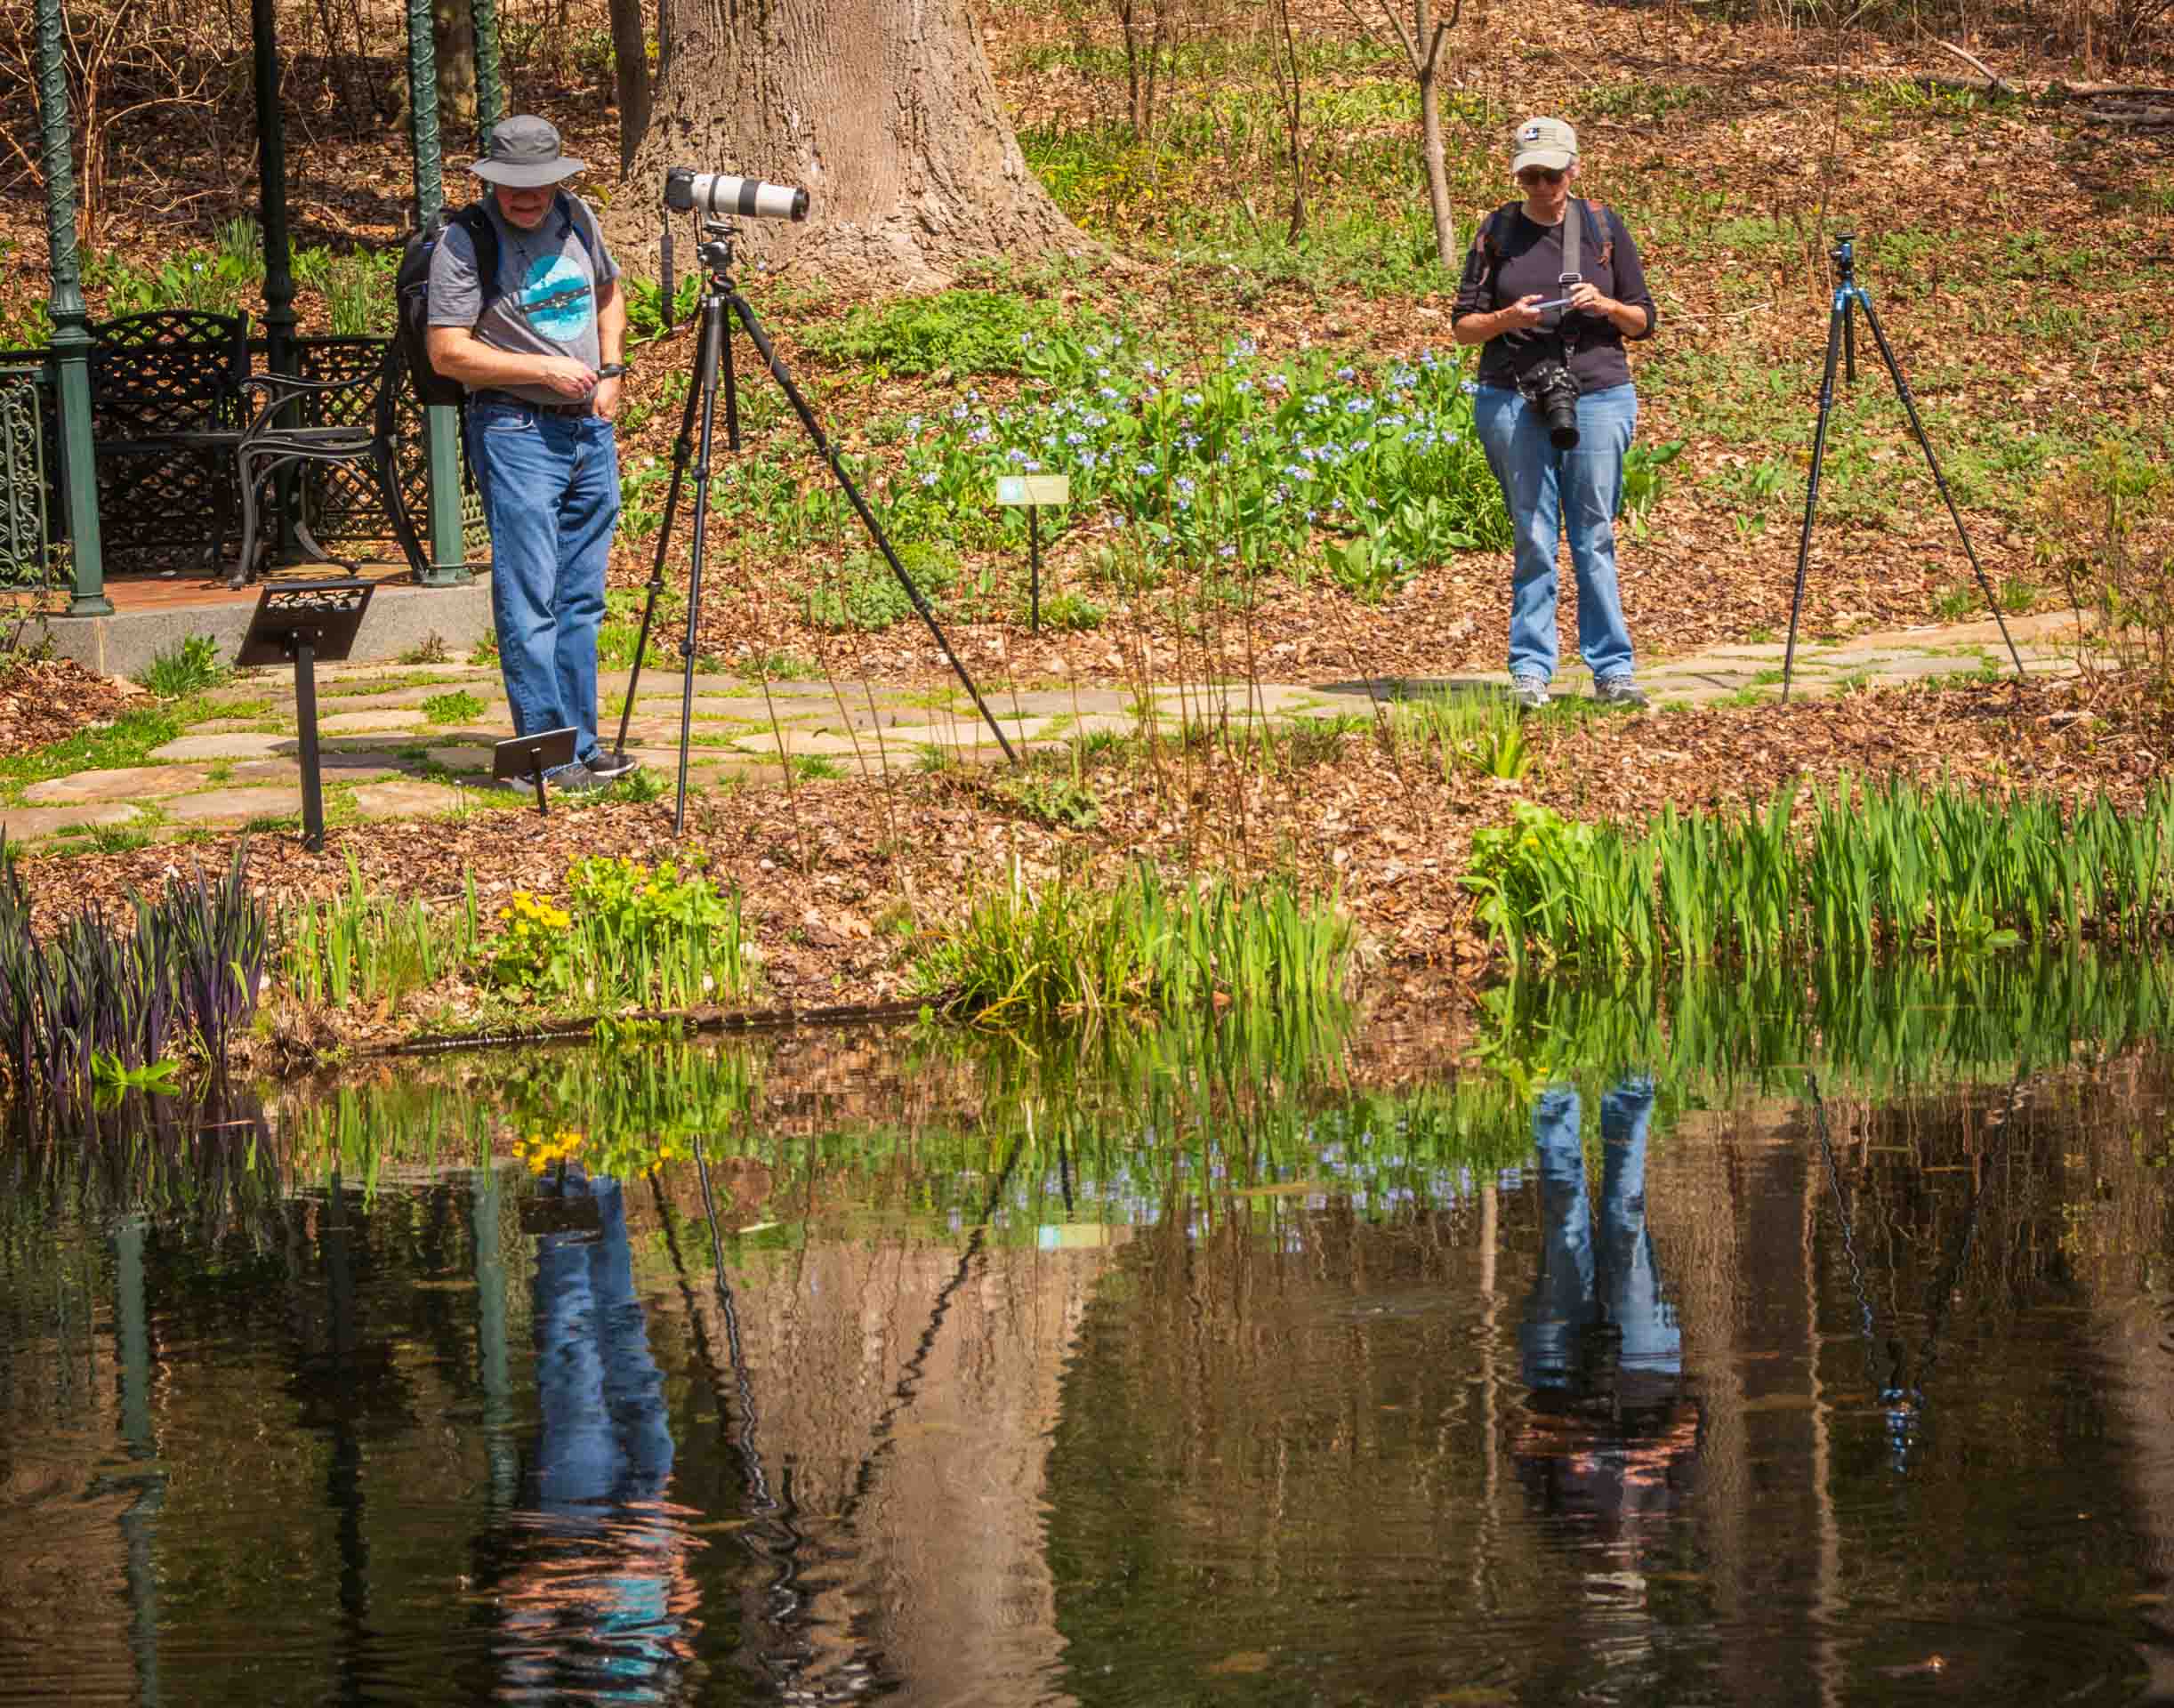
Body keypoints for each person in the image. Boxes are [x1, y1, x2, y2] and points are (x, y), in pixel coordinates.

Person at [427, 114, 637, 791]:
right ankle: (544, 755)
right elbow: (448, 352)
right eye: (513, 188)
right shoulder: (466, 243)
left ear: (558, 181)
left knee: (582, 600)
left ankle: (583, 745)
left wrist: (612, 371)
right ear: (491, 181)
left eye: (537, 188)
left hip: (587, 431)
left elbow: (608, 292)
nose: (526, 200)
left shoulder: (577, 217)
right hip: (515, 431)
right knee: (531, 599)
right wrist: (540, 372)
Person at [1453, 117, 1658, 713]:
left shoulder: (1602, 227)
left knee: (1593, 534)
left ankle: (1613, 670)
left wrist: (1607, 304)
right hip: (1512, 393)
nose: (1541, 187)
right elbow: (1463, 327)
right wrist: (1504, 320)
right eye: (1530, 177)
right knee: (1535, 535)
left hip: (1596, 390)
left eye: (1551, 175)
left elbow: (1644, 320)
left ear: (1574, 169)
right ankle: (1531, 670)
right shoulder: (1497, 231)